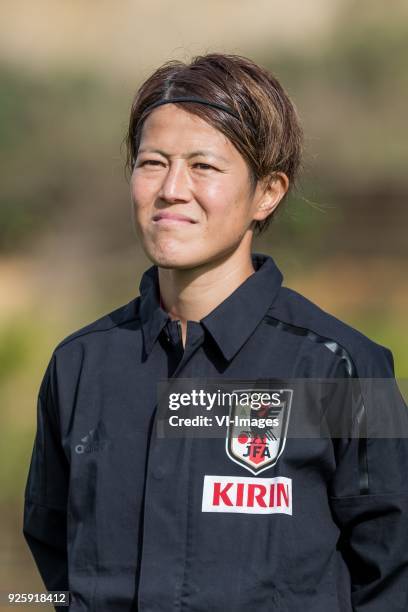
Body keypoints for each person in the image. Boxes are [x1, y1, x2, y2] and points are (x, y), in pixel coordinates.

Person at [23, 53, 408, 611]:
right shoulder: (80, 365)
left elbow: (394, 575)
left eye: (203, 166)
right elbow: (54, 550)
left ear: (268, 192)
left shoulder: (342, 367)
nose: (172, 189)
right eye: (153, 162)